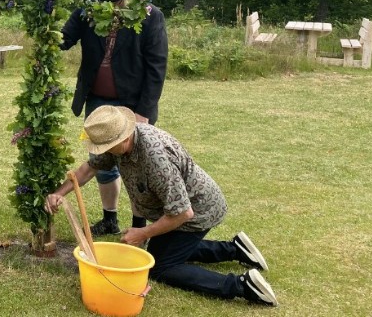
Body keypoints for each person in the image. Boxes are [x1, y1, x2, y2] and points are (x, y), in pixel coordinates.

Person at [45, 105, 278, 306]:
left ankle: (242, 286)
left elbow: (182, 213)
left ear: (123, 139)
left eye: (103, 147)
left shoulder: (155, 159)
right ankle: (236, 249)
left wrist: (143, 232)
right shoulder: (118, 144)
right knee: (160, 250)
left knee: (160, 267)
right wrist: (59, 193)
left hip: (198, 211)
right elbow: (87, 170)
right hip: (178, 209)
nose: (100, 152)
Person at [60, 0, 168, 236]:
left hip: (133, 104)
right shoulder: (88, 12)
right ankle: (110, 218)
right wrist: (45, 31)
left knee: (137, 167)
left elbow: (157, 67)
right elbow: (64, 39)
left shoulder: (149, 16)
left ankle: (138, 227)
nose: (108, 5)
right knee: (101, 160)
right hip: (98, 101)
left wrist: (144, 111)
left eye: (114, 1)